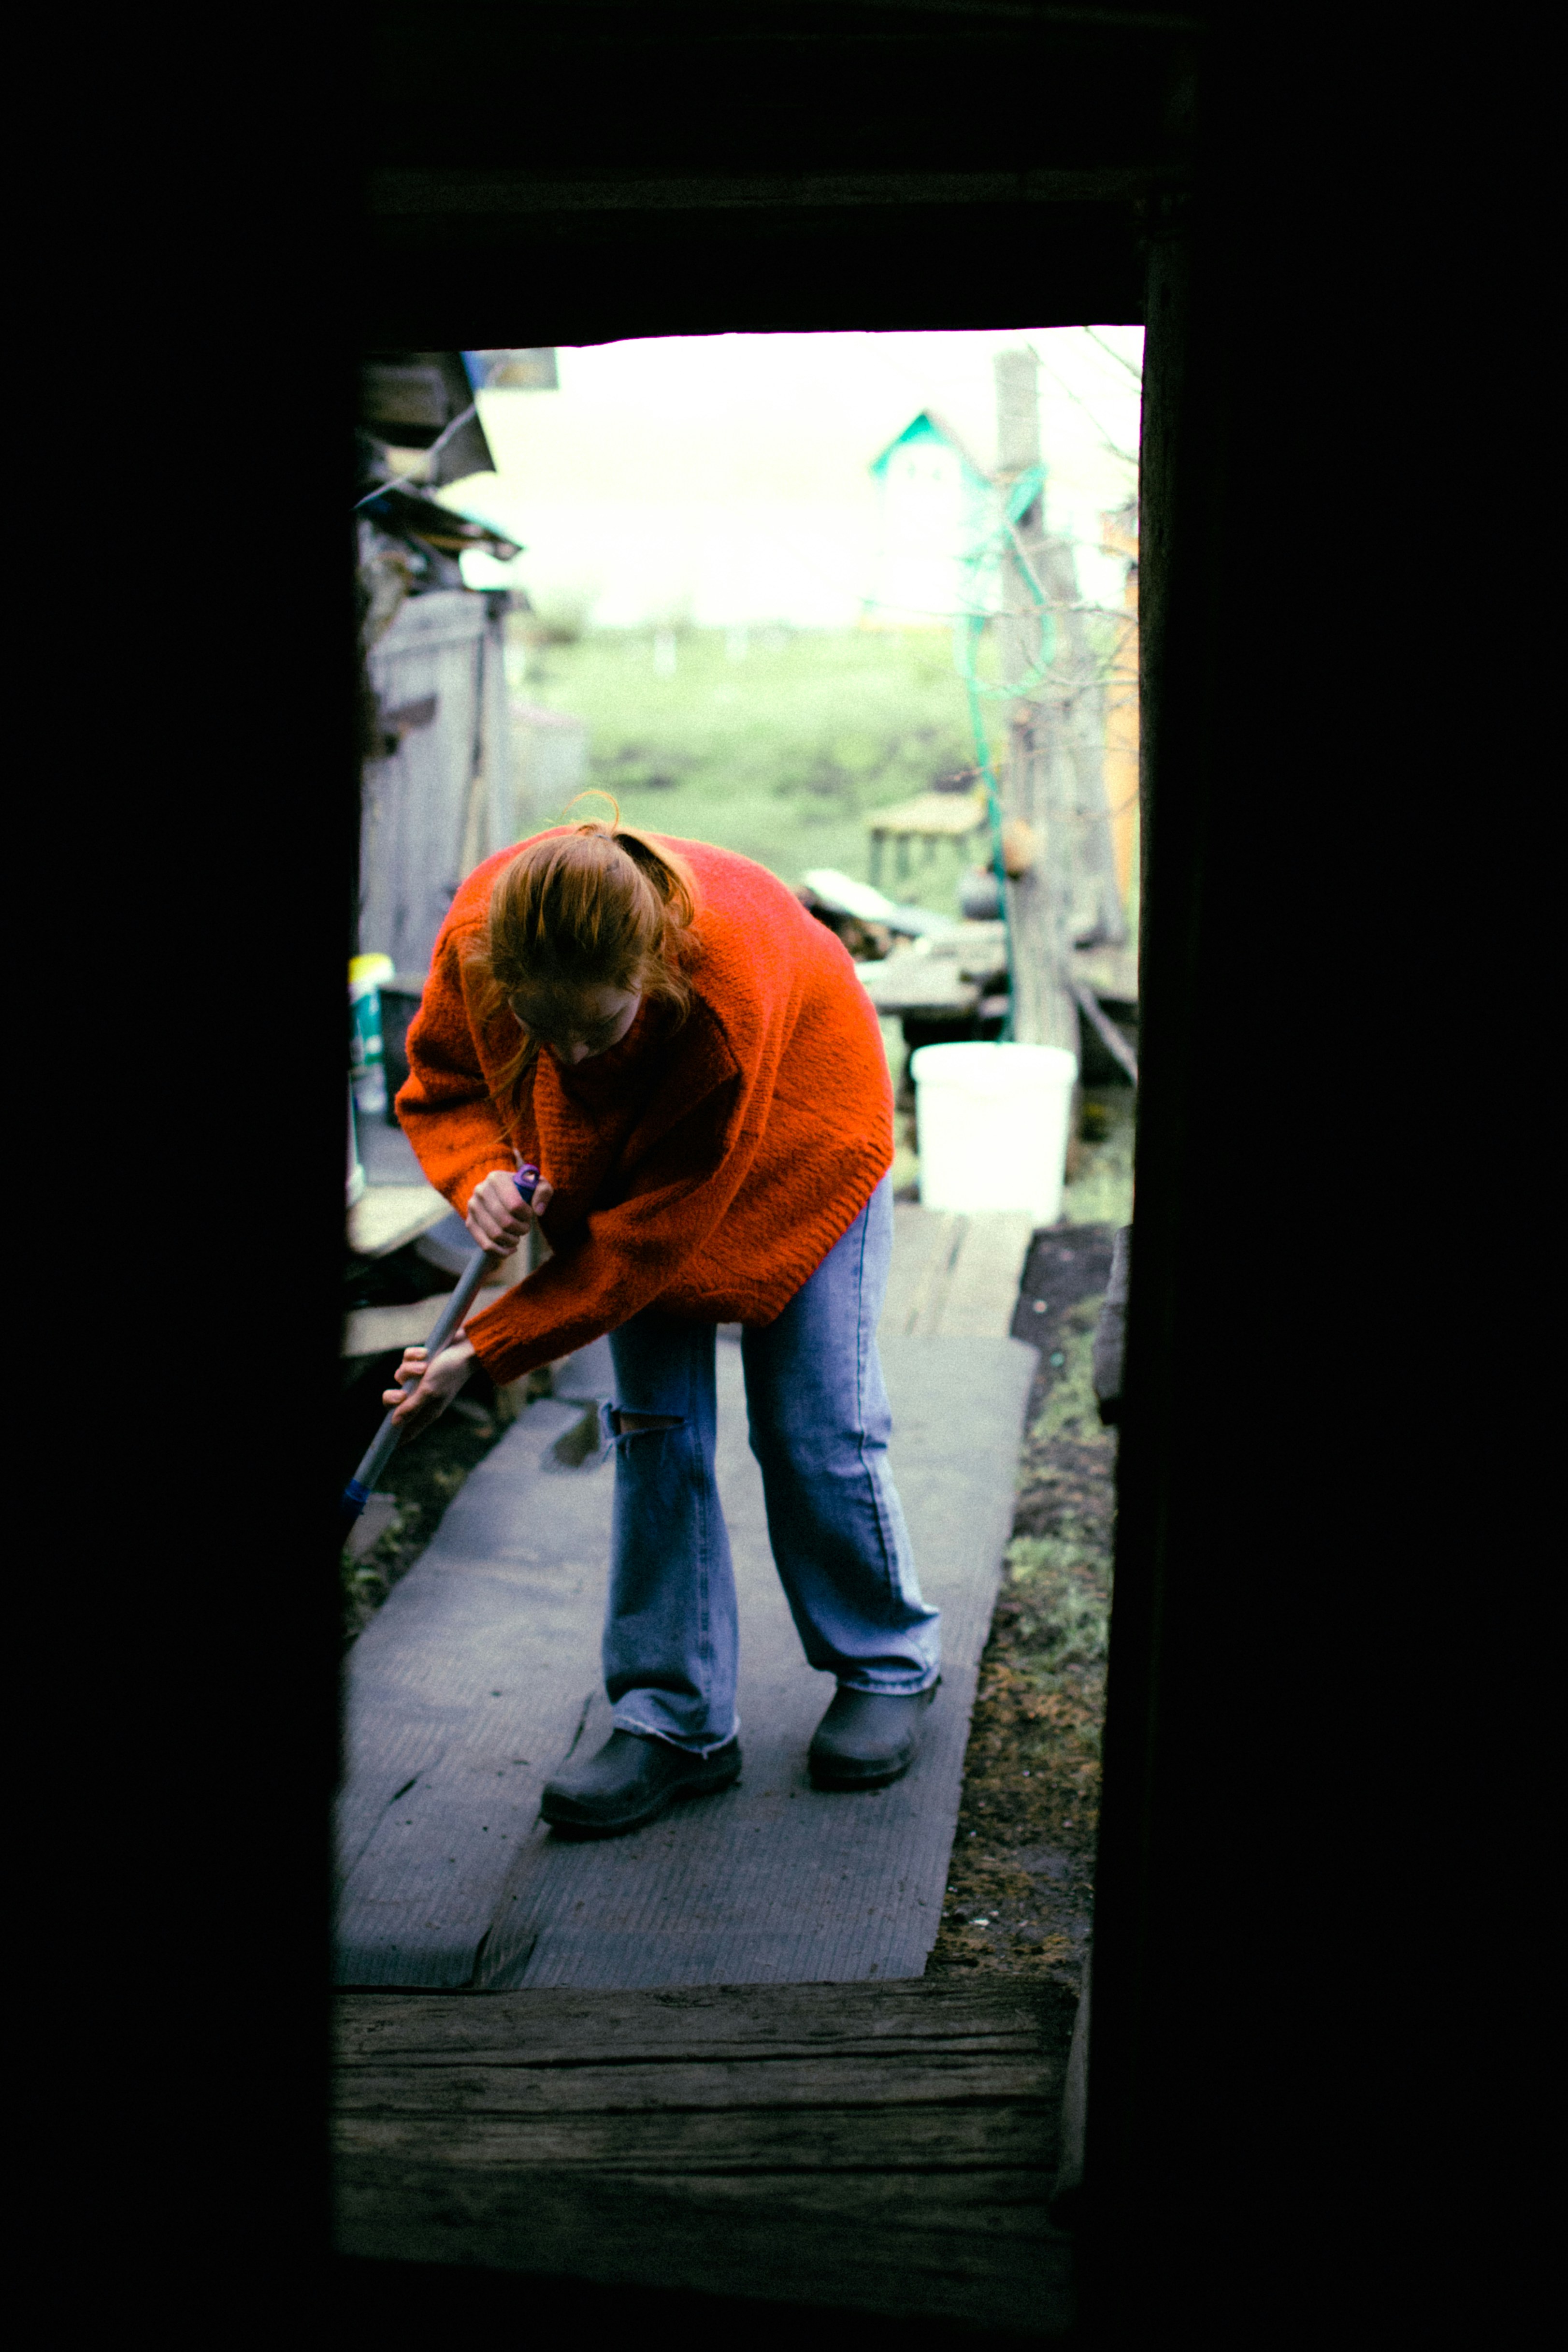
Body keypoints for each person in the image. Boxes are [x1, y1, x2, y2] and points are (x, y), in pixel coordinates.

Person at [385, 802, 940, 1837]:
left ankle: (887, 1661)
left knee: (814, 1427)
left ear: (651, 975)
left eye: (602, 1028)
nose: (576, 1055)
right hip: (632, 1169)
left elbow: (648, 1248)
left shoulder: (722, 995)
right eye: (550, 1033)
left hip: (799, 1140)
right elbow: (448, 1085)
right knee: (654, 1434)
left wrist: (483, 1348)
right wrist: (478, 1179)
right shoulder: (482, 939)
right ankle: (673, 1721)